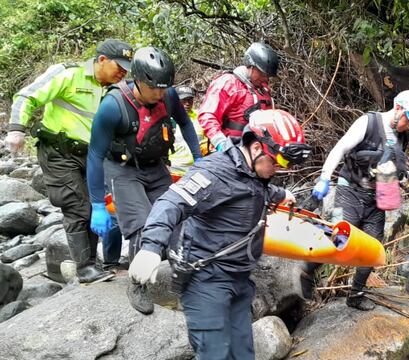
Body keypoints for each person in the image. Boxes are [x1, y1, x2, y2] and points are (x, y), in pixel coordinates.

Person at [127, 109, 310, 358]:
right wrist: (150, 247)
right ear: (256, 148)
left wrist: (279, 194)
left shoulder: (254, 173)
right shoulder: (214, 173)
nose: (276, 169)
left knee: (243, 353)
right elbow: (170, 203)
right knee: (215, 353)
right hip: (206, 279)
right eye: (275, 162)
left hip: (239, 277)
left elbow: (253, 190)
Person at [6, 39, 132, 283]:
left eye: (127, 67)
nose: (123, 71)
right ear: (102, 60)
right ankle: (85, 268)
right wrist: (16, 129)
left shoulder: (117, 90)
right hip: (59, 153)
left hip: (93, 157)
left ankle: (93, 264)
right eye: (120, 65)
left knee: (96, 204)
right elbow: (26, 96)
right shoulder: (68, 74)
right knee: (78, 207)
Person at [85, 47, 202, 311]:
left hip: (156, 166)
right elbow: (95, 155)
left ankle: (185, 280)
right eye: (154, 88)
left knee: (176, 219)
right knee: (142, 226)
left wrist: (200, 159)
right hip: (122, 169)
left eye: (164, 87)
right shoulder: (112, 107)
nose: (160, 94)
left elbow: (185, 124)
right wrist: (97, 204)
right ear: (138, 79)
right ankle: (137, 284)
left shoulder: (168, 95)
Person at [308, 90, 409, 310]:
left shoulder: (403, 136)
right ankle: (307, 273)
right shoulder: (369, 122)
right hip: (349, 190)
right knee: (339, 239)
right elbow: (340, 148)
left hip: (375, 199)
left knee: (372, 249)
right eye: (408, 121)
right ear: (397, 108)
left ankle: (356, 294)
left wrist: (399, 179)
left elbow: (390, 167)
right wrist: (324, 178)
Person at [198, 42, 278, 152]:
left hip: (257, 153)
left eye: (268, 76)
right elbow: (207, 115)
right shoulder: (228, 83)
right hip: (230, 150)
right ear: (251, 65)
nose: (266, 79)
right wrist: (221, 144)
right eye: (262, 74)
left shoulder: (263, 89)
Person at [170, 85, 210, 174]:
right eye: (183, 100)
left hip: (196, 169)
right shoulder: (168, 119)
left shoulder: (200, 117)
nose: (187, 103)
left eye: (190, 100)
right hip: (173, 171)